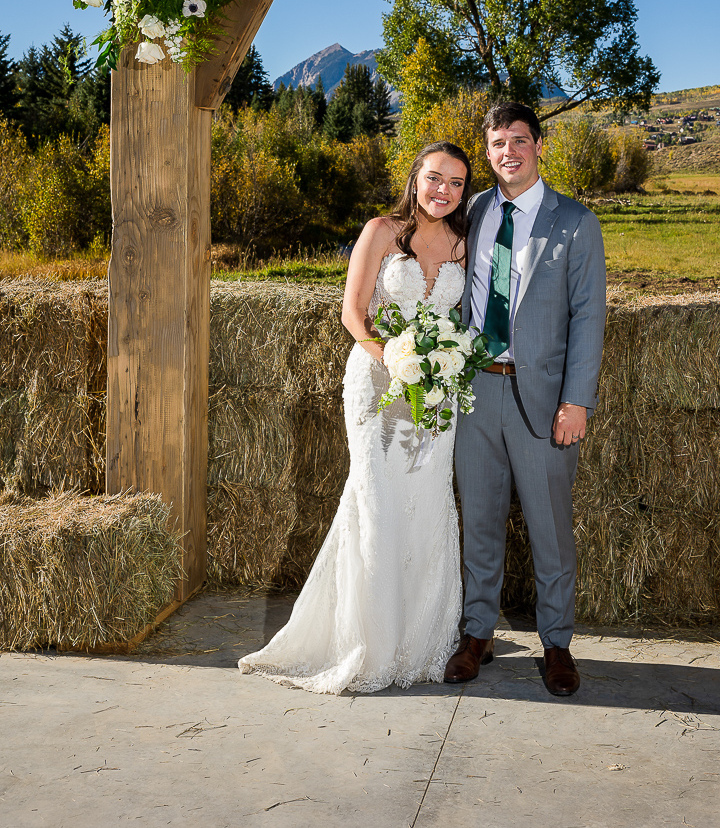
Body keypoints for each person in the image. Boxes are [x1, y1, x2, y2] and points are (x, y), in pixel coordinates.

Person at [238, 142, 473, 694]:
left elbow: (464, 317)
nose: (445, 191)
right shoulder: (381, 231)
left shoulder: (465, 243)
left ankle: (417, 642)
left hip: (435, 392)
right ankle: (364, 640)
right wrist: (394, 359)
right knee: (375, 498)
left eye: (457, 183)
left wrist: (442, 366)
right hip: (375, 382)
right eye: (435, 178)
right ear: (415, 178)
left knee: (426, 501)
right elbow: (353, 312)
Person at [443, 101, 606, 697]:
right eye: (496, 143)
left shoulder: (575, 222)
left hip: (543, 399)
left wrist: (577, 400)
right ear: (486, 152)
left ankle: (557, 642)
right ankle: (476, 633)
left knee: (550, 528)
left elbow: (589, 315)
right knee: (479, 518)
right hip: (477, 390)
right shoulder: (476, 211)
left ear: (538, 145)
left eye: (518, 139)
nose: (506, 151)